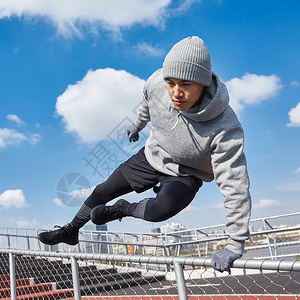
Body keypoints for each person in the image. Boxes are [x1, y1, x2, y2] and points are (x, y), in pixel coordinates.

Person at [39, 36, 251, 274]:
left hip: (186, 173)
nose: (176, 93)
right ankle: (71, 231)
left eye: (186, 85)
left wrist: (235, 243)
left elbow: (235, 184)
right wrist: (137, 126)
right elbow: (147, 104)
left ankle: (122, 209)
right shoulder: (156, 82)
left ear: (202, 83)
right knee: (102, 190)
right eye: (171, 83)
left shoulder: (226, 126)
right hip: (152, 156)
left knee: (161, 211)